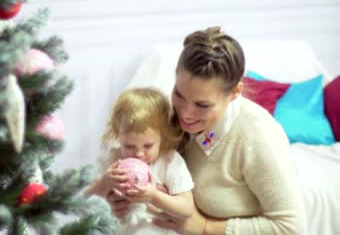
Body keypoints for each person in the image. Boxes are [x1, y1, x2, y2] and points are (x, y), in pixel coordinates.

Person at [106, 27, 306, 235]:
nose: (185, 114)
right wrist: (117, 198)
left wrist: (204, 227)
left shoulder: (257, 135)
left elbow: (291, 227)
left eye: (202, 105)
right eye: (179, 94)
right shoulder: (167, 113)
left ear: (235, 92)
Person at [85, 87, 194, 234]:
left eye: (148, 145)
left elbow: (186, 209)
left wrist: (154, 196)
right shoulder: (111, 158)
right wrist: (104, 183)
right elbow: (85, 198)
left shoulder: (169, 161)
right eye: (129, 146)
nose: (139, 154)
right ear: (118, 135)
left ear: (162, 136)